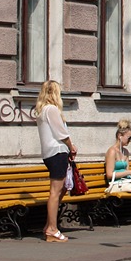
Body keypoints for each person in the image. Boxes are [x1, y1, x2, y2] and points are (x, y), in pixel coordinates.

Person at [35, 80, 76, 242]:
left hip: (50, 153)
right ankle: (52, 229)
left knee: (60, 190)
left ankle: (49, 225)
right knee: (55, 192)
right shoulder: (51, 109)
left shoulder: (42, 111)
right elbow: (61, 133)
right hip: (57, 152)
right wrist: (72, 147)